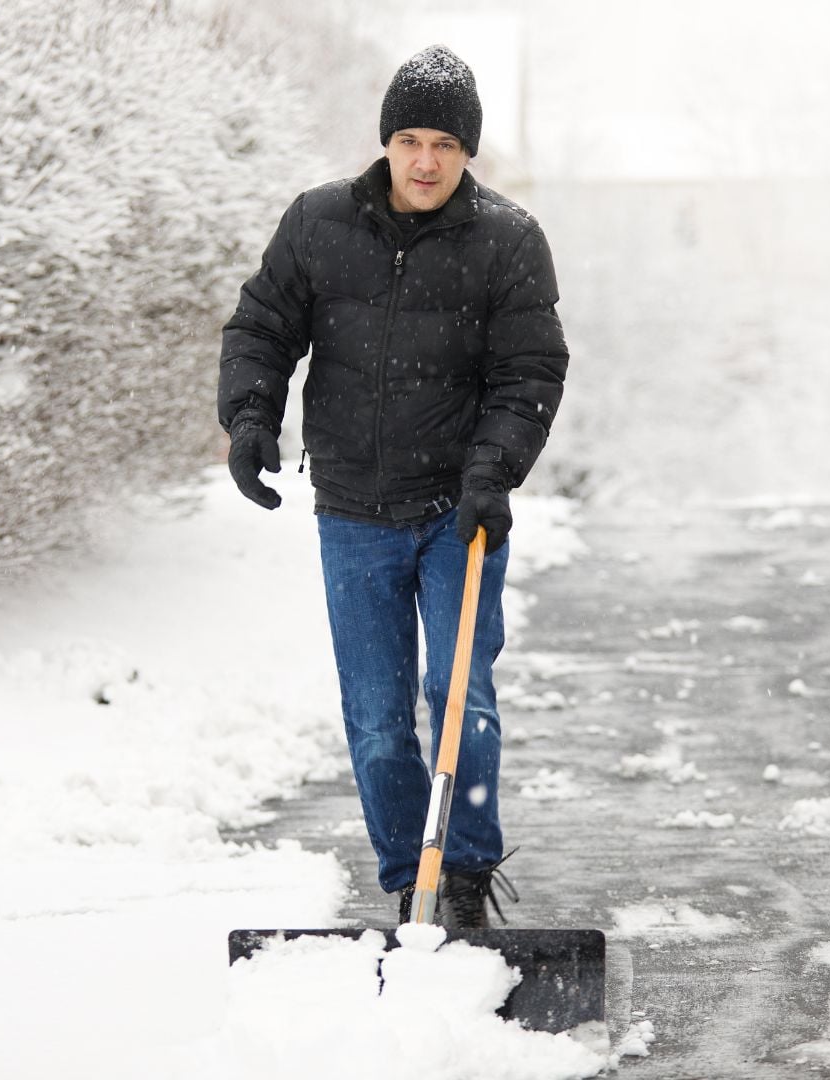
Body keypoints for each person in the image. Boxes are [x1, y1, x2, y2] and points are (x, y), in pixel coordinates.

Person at [216, 45, 568, 928]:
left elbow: (529, 370)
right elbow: (262, 326)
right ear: (385, 142)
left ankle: (464, 875)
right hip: (353, 513)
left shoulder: (509, 241)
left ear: (466, 153)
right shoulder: (318, 224)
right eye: (409, 139)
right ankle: (408, 879)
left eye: (444, 144)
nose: (424, 160)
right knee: (376, 722)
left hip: (461, 511)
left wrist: (493, 471)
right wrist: (251, 419)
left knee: (460, 699)